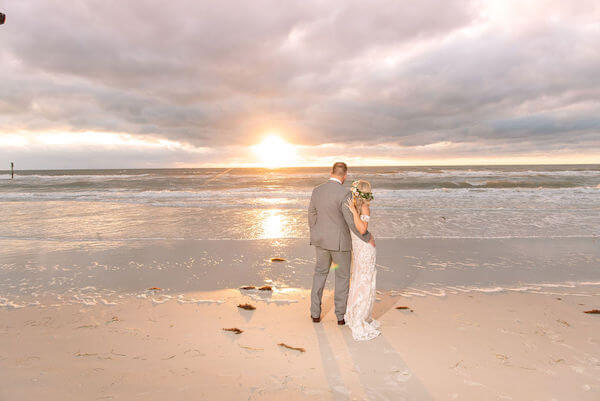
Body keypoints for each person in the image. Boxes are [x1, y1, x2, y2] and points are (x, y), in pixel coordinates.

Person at [308, 162, 375, 326]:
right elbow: (351, 222)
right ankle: (340, 316)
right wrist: (366, 236)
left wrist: (316, 232)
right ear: (344, 176)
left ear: (330, 172)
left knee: (319, 275)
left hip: (320, 241)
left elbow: (311, 213)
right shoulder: (345, 193)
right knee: (342, 278)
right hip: (340, 244)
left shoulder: (317, 190)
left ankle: (315, 314)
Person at [344, 180, 380, 340]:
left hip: (365, 248)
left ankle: (360, 315)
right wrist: (352, 210)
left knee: (364, 279)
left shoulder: (364, 207)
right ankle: (354, 313)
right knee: (359, 277)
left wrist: (353, 212)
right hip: (359, 247)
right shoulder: (355, 206)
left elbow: (363, 229)